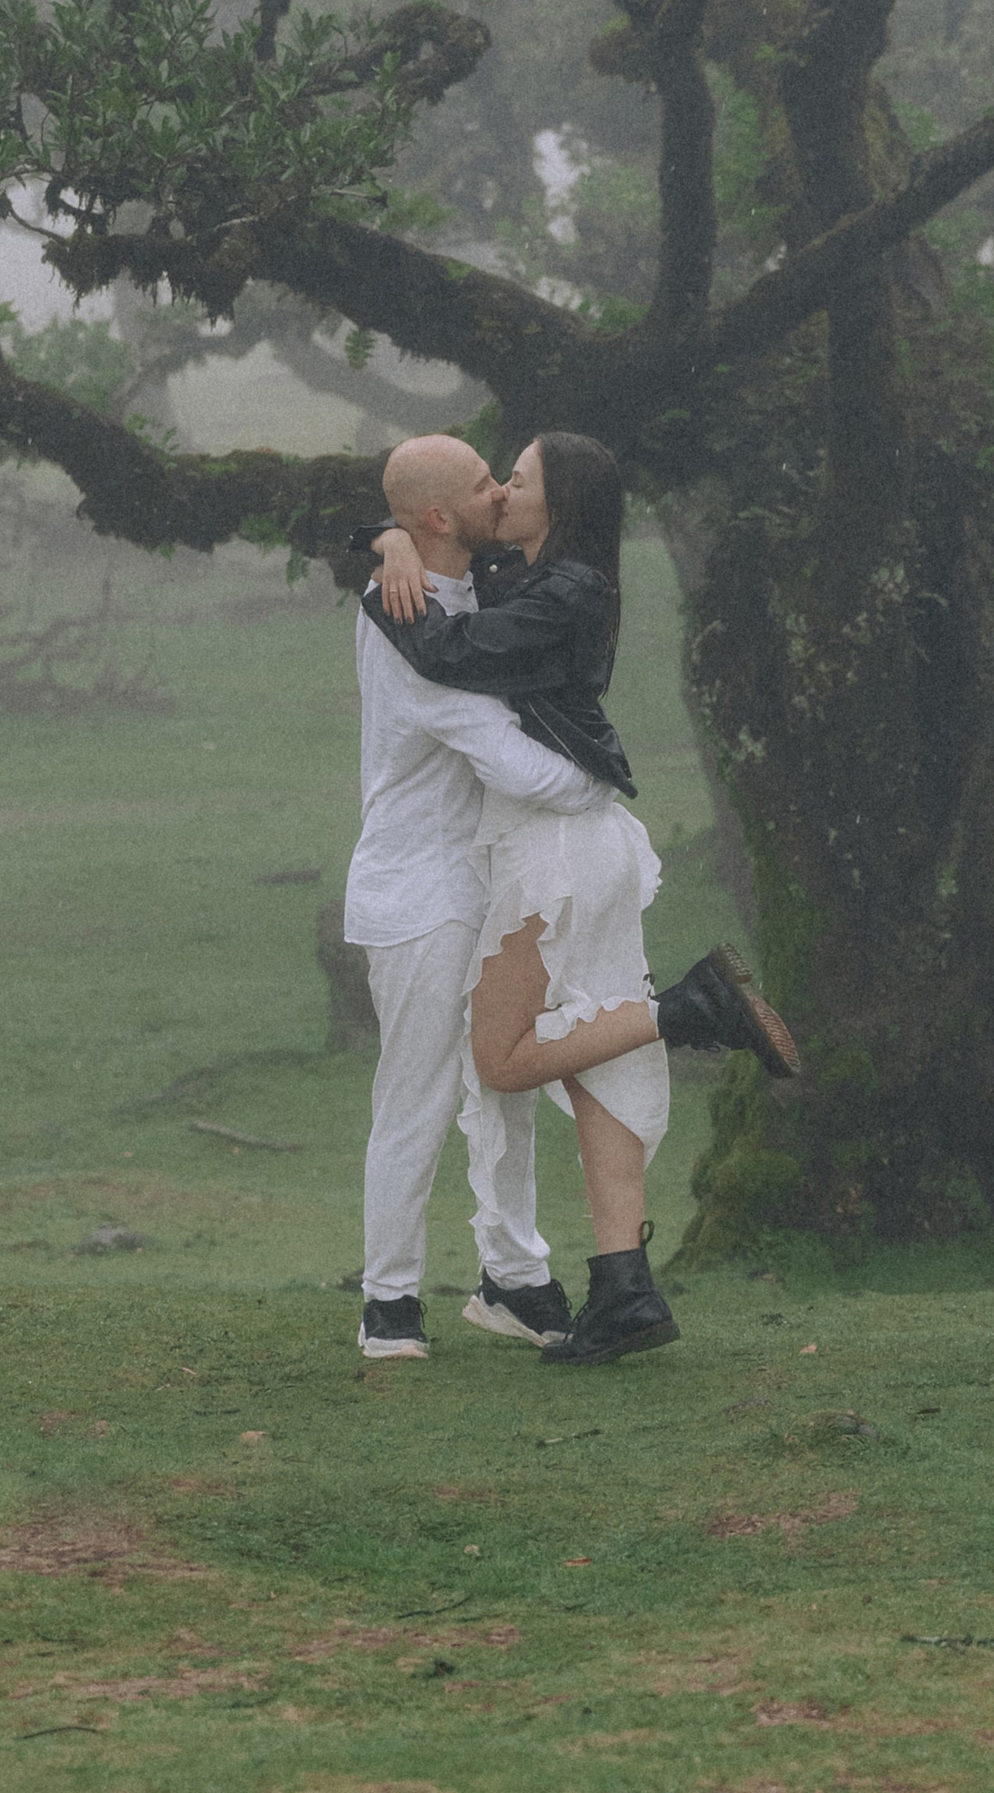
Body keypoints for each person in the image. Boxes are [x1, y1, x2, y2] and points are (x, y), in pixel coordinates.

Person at [367, 430, 799, 1365]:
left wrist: (382, 590)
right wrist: (392, 541)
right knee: (595, 1059)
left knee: (503, 1059)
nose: (498, 492)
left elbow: (444, 652)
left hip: (552, 851)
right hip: (578, 852)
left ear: (551, 505)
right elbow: (431, 528)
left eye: (512, 481)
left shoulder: (561, 591)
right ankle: (623, 1290)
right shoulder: (532, 574)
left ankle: (688, 1007)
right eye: (489, 481)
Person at [344, 433, 606, 1363]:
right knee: (414, 1094)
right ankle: (389, 1300)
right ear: (442, 519)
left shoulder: (471, 578)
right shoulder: (404, 614)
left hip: (489, 880)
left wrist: (384, 532)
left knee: (504, 1085)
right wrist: (601, 790)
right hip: (419, 892)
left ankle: (514, 1279)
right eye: (486, 483)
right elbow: (509, 760)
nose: (504, 492)